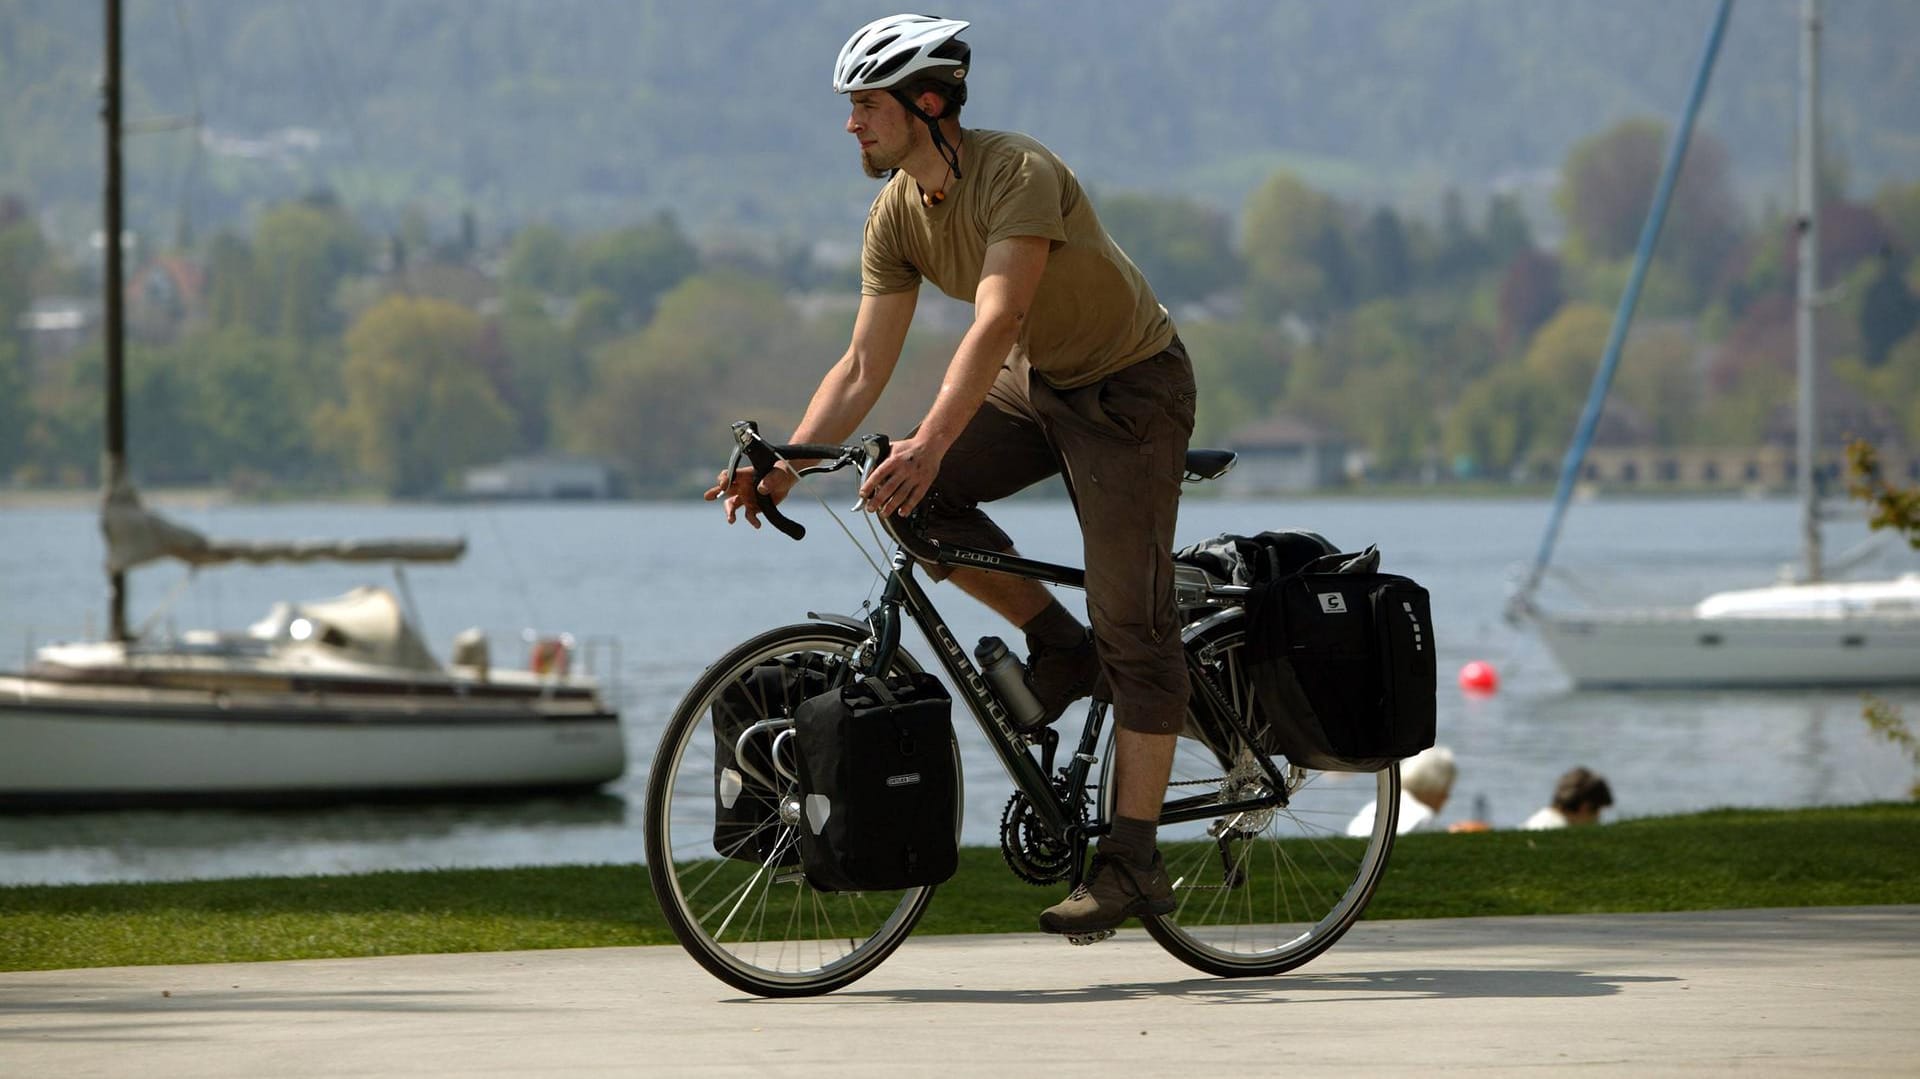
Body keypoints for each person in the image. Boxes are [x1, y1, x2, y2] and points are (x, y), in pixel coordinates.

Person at [707, 14, 1195, 937]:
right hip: (1036, 384)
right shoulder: (896, 212)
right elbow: (860, 365)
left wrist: (930, 436)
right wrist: (787, 463)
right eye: (851, 107)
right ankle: (1060, 646)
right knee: (914, 495)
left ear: (928, 104)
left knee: (1134, 619)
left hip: (1131, 388)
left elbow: (1000, 316)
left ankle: (1134, 858)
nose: (852, 124)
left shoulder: (1018, 173)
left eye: (867, 105)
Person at [1346, 745, 1456, 837]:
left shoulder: (1372, 807)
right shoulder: (1423, 819)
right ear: (1432, 787)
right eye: (1446, 789)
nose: (1447, 797)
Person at [1522, 767, 1614, 830]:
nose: (1598, 819)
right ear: (1585, 807)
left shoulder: (1541, 818)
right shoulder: (1557, 829)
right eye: (1598, 811)